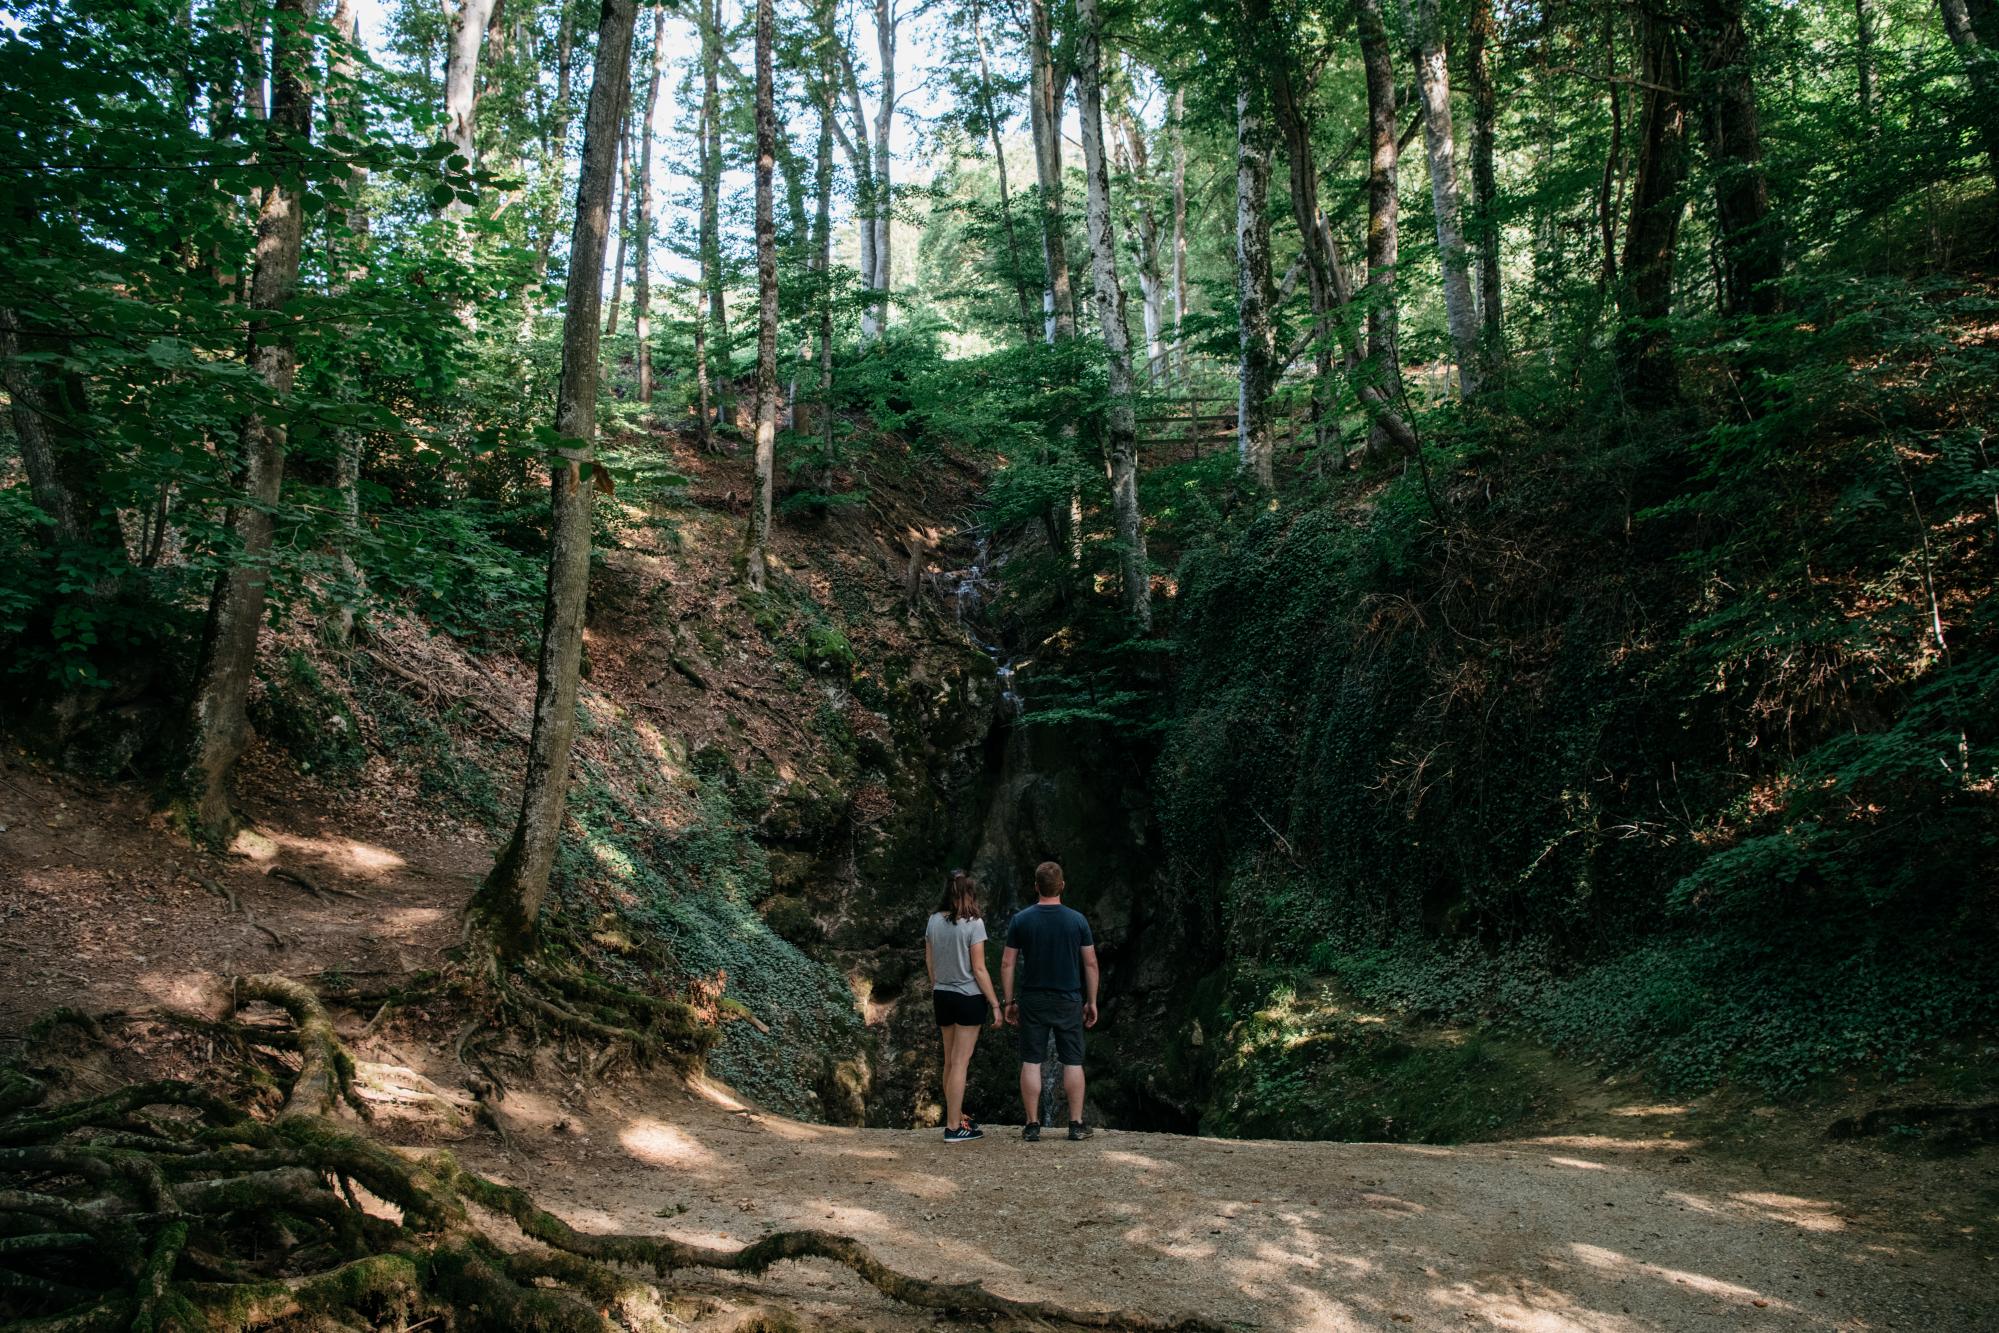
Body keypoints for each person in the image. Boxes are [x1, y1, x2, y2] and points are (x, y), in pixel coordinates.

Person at [1001, 860, 1099, 1142]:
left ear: (1036, 887)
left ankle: (1032, 1125)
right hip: (1069, 998)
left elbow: (1008, 963)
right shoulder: (1077, 920)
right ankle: (1076, 1124)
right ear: (1062, 886)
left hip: (1033, 998)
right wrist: (1091, 1000)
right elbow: (1090, 964)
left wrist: (1009, 1001)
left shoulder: (1022, 920)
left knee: (1032, 1061)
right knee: (1073, 1061)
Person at [924, 870, 1002, 1143]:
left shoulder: (933, 921)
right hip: (968, 997)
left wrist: (939, 985)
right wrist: (995, 1003)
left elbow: (930, 962)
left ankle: (953, 1117)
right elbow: (979, 969)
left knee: (949, 1061)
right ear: (969, 893)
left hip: (942, 995)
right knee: (960, 1063)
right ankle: (954, 1127)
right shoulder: (974, 924)